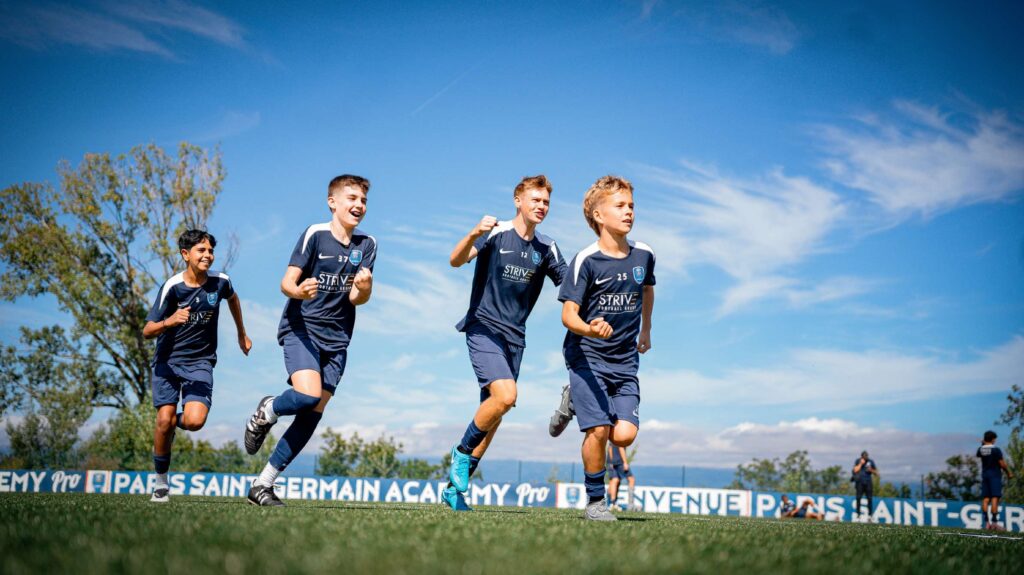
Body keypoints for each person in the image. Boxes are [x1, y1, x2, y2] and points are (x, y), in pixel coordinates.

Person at [243, 175, 376, 507]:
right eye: (352, 198)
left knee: (312, 413)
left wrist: (365, 288)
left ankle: (262, 485)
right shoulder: (315, 234)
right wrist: (299, 291)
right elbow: (286, 283)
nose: (359, 205)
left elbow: (357, 298)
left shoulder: (368, 245)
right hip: (301, 328)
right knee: (306, 395)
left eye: (363, 200)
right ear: (332, 202)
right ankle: (269, 409)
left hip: (338, 340)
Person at [444, 175, 567, 512]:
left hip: (516, 339)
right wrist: (473, 233)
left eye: (546, 202)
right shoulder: (496, 232)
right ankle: (461, 452)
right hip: (483, 328)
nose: (541, 206)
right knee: (506, 396)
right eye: (535, 200)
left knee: (495, 413)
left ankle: (454, 490)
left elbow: (571, 284)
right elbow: (455, 260)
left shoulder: (547, 247)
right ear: (518, 200)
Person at [550, 175, 656, 521]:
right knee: (598, 430)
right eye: (620, 206)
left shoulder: (644, 255)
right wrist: (590, 330)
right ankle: (595, 503)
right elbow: (568, 315)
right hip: (586, 356)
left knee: (623, 436)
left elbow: (647, 289)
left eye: (631, 206)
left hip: (625, 361)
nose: (629, 212)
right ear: (598, 215)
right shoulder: (586, 260)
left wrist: (646, 329)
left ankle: (573, 400)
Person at [142, 229, 252, 503]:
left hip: (200, 362)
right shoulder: (172, 287)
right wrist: (169, 321)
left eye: (210, 251)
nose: (207, 255)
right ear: (185, 254)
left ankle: (168, 427)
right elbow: (147, 330)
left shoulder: (221, 282)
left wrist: (242, 334)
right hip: (167, 362)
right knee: (164, 419)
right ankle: (161, 484)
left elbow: (233, 299)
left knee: (194, 421)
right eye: (201, 250)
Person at [978, 430, 1014, 530]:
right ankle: (994, 523)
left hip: (985, 475)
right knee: (995, 498)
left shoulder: (980, 449)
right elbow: (1002, 464)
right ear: (993, 439)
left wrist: (983, 444)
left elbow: (980, 453)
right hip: (995, 476)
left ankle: (987, 523)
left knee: (985, 499)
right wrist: (1008, 472)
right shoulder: (996, 450)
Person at [607, 443, 638, 511]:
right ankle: (631, 505)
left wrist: (611, 461)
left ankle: (612, 504)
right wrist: (625, 462)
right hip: (619, 461)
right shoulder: (621, 437)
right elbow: (621, 447)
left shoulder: (612, 438)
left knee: (614, 481)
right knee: (631, 479)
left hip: (611, 461)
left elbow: (610, 448)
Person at [852, 450, 879, 521]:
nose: (865, 457)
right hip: (859, 483)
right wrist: (861, 464)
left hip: (868, 482)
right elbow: (855, 470)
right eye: (864, 456)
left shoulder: (871, 461)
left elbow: (876, 473)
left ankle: (870, 515)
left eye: (866, 456)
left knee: (869, 499)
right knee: (858, 498)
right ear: (861, 456)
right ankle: (858, 515)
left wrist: (871, 470)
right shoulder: (858, 461)